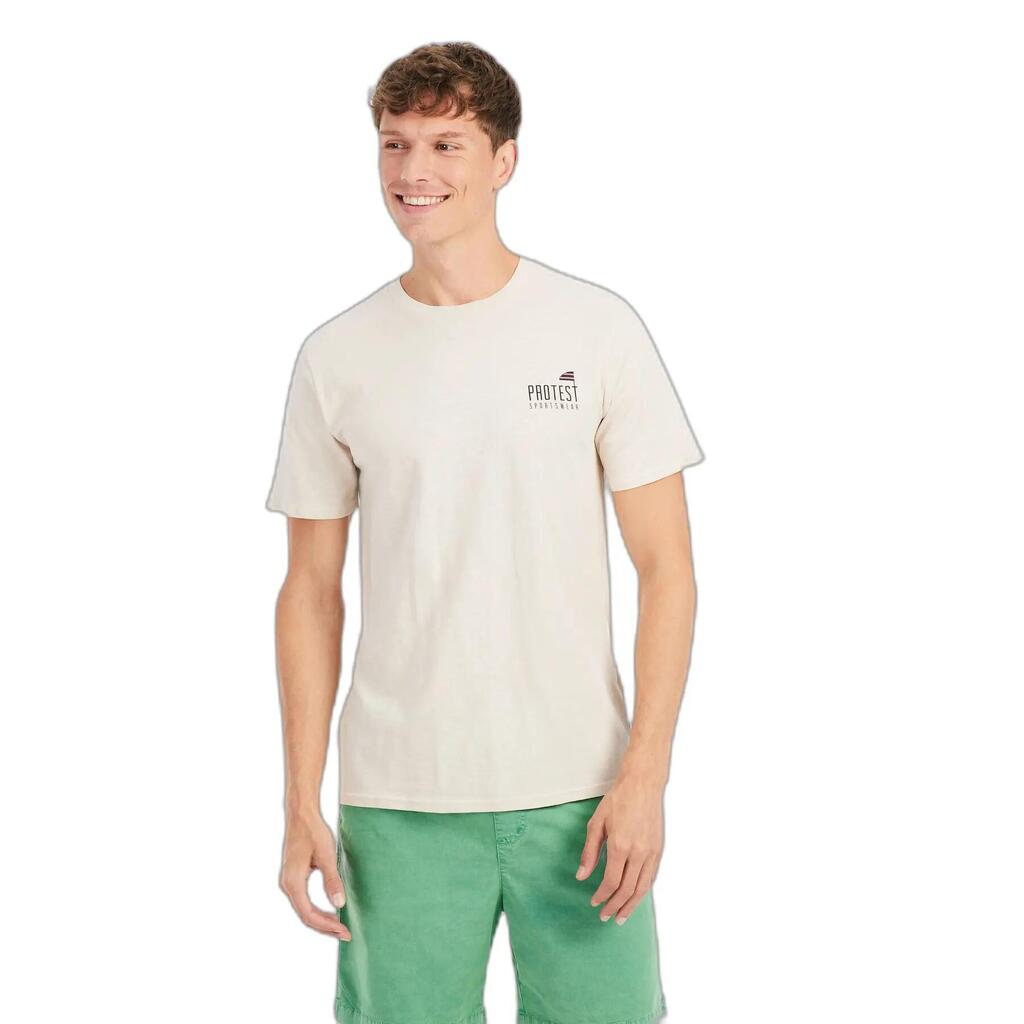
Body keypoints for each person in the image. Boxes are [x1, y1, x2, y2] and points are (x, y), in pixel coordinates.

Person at [267, 41, 704, 1024]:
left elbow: (667, 570)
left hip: (584, 795)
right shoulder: (337, 357)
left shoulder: (596, 330)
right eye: (395, 143)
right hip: (400, 800)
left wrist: (645, 774)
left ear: (504, 159)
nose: (413, 170)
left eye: (446, 144)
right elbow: (310, 593)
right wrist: (300, 801)